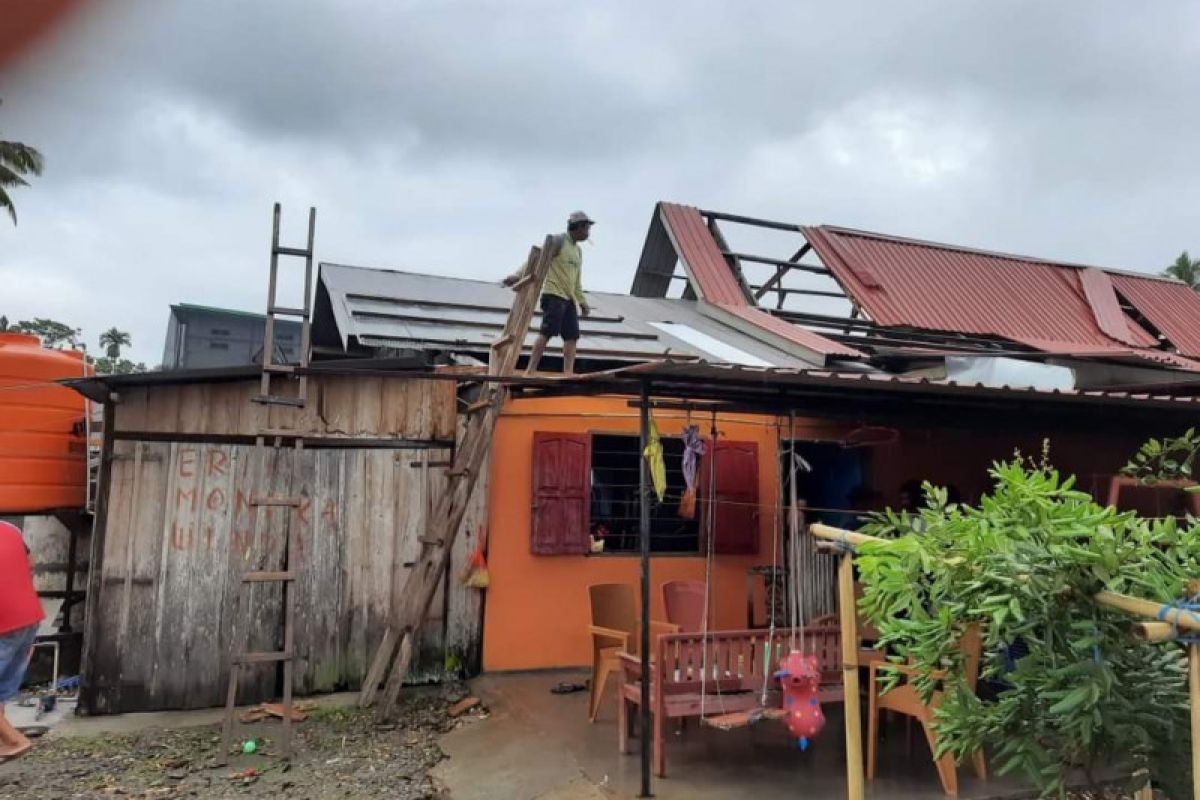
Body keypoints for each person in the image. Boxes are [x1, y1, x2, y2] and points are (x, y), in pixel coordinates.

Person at [503, 211, 593, 375]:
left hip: (568, 297)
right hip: (553, 295)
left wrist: (582, 302)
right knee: (547, 332)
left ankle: (568, 373)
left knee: (572, 336)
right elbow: (537, 258)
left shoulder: (578, 251)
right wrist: (517, 275)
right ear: (577, 227)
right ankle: (530, 370)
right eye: (586, 228)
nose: (588, 232)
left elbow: (577, 281)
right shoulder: (558, 241)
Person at [0, 520, 43, 761]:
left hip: (3, 621)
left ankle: (15, 740)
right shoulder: (10, 528)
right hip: (28, 616)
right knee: (1, 689)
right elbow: (31, 565)